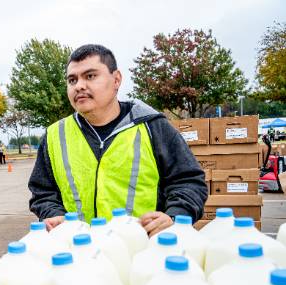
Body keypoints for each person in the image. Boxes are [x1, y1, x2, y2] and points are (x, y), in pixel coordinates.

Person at [29, 44, 208, 237]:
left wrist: (174, 217)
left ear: (116, 80)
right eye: (72, 80)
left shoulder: (153, 127)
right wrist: (54, 216)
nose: (79, 85)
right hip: (78, 252)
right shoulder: (55, 135)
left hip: (141, 251)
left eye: (90, 76)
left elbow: (189, 182)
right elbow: (43, 193)